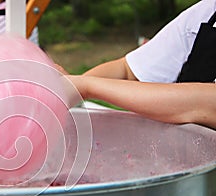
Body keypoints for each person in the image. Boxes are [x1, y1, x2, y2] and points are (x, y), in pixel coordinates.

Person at [64, 0, 216, 130]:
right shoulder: (205, 12)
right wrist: (63, 90)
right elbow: (128, 70)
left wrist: (86, 86)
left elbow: (206, 104)